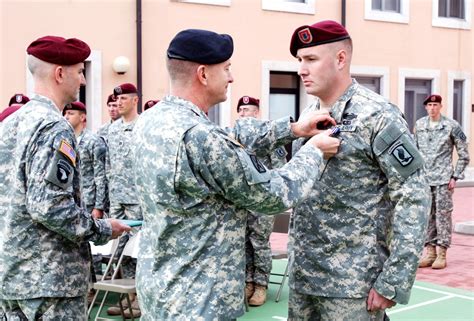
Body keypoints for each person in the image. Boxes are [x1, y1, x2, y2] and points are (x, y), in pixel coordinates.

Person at [132, 28, 341, 320]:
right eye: (226, 69)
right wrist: (314, 151)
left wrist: (293, 129)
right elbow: (274, 195)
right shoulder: (200, 136)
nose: (231, 77)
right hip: (200, 300)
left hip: (160, 289)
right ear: (203, 74)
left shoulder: (151, 122)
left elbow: (233, 136)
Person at [287, 20, 430, 320]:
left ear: (341, 59)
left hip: (352, 286)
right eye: (300, 60)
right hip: (304, 279)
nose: (301, 69)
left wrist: (394, 279)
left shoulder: (377, 115)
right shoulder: (309, 115)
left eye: (311, 59)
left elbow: (414, 196)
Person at [0, 35, 130, 320]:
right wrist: (102, 228)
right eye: (80, 72)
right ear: (60, 74)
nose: (83, 81)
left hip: (11, 275)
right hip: (50, 280)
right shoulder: (54, 128)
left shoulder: (10, 123)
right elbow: (50, 206)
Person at [237, 95, 287, 306]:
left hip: (263, 202)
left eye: (248, 110)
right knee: (244, 243)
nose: (244, 114)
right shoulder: (235, 137)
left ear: (257, 112)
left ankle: (261, 285)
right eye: (241, 110)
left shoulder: (269, 136)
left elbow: (280, 167)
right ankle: (248, 281)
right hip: (242, 200)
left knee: (259, 243)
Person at [415, 94, 470, 269]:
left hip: (443, 180)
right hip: (424, 179)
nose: (432, 108)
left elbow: (464, 154)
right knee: (426, 216)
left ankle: (442, 254)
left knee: (443, 216)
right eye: (429, 105)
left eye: (435, 104)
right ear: (426, 107)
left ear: (441, 106)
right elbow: (415, 152)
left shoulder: (452, 126)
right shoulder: (419, 125)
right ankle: (430, 252)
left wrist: (455, 177)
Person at [104, 83, 142, 318]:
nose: (118, 103)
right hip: (117, 197)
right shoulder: (113, 129)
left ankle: (140, 295)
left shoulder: (143, 126)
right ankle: (127, 296)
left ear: (135, 100)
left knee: (138, 248)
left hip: (137, 198)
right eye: (117, 99)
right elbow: (109, 163)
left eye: (123, 99)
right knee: (120, 249)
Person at [63, 101, 107, 219]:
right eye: (65, 113)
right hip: (69, 201)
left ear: (82, 117)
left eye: (71, 113)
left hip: (88, 201)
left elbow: (100, 176)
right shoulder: (65, 140)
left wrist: (99, 206)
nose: (66, 117)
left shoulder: (93, 141)